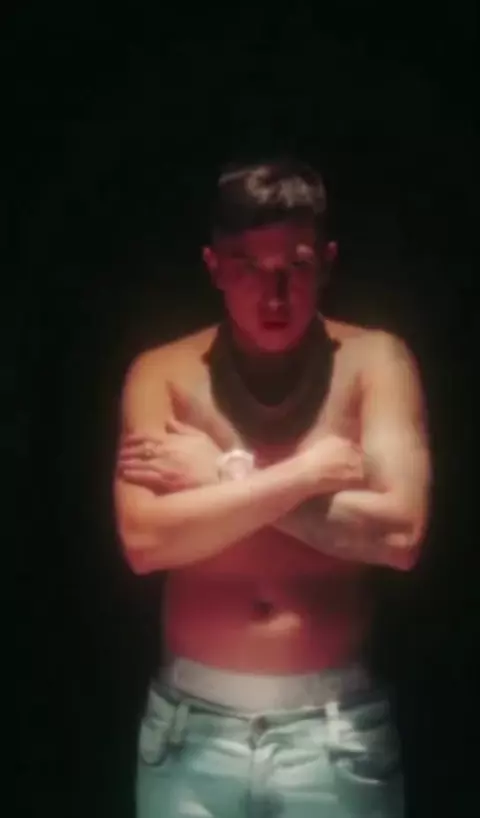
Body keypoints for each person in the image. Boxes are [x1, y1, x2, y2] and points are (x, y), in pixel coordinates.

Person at [114, 158, 431, 817]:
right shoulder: (162, 373)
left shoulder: (375, 362)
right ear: (214, 267)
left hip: (335, 736)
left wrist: (225, 475)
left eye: (296, 265)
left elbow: (400, 535)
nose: (275, 292)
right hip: (191, 736)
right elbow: (145, 541)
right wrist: (303, 476)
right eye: (249, 267)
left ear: (328, 262)